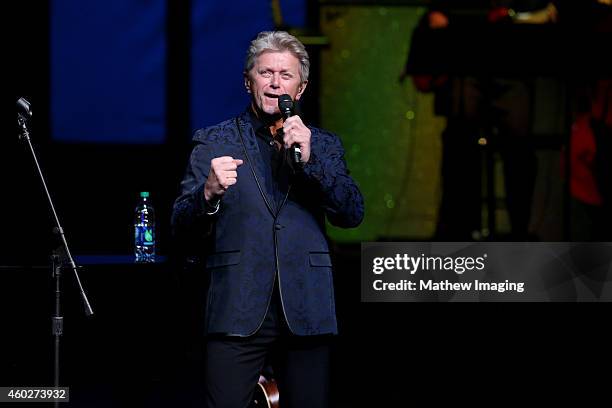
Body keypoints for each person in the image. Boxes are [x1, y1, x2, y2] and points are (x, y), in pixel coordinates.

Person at [171, 31, 364, 408]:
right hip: (237, 306)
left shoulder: (322, 145)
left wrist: (310, 162)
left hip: (307, 307)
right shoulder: (213, 141)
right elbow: (179, 225)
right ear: (249, 82)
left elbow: (351, 212)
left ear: (302, 86)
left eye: (286, 75)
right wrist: (207, 194)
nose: (276, 83)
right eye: (265, 73)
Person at [401, 1, 558, 240]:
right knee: (460, 145)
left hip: (512, 58)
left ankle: (519, 234)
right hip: (466, 57)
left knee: (519, 152)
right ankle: (459, 232)